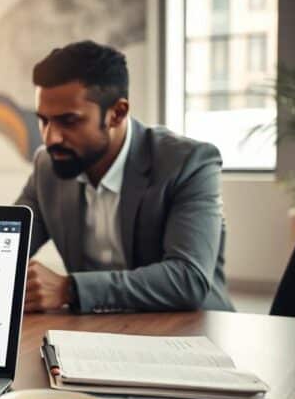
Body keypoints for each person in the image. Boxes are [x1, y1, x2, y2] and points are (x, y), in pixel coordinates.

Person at [15, 40, 234, 314]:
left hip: (190, 332)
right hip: (92, 333)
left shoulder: (188, 163)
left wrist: (69, 289)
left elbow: (187, 278)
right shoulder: (48, 165)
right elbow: (7, 247)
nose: (50, 138)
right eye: (44, 120)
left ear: (117, 113)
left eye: (68, 121)